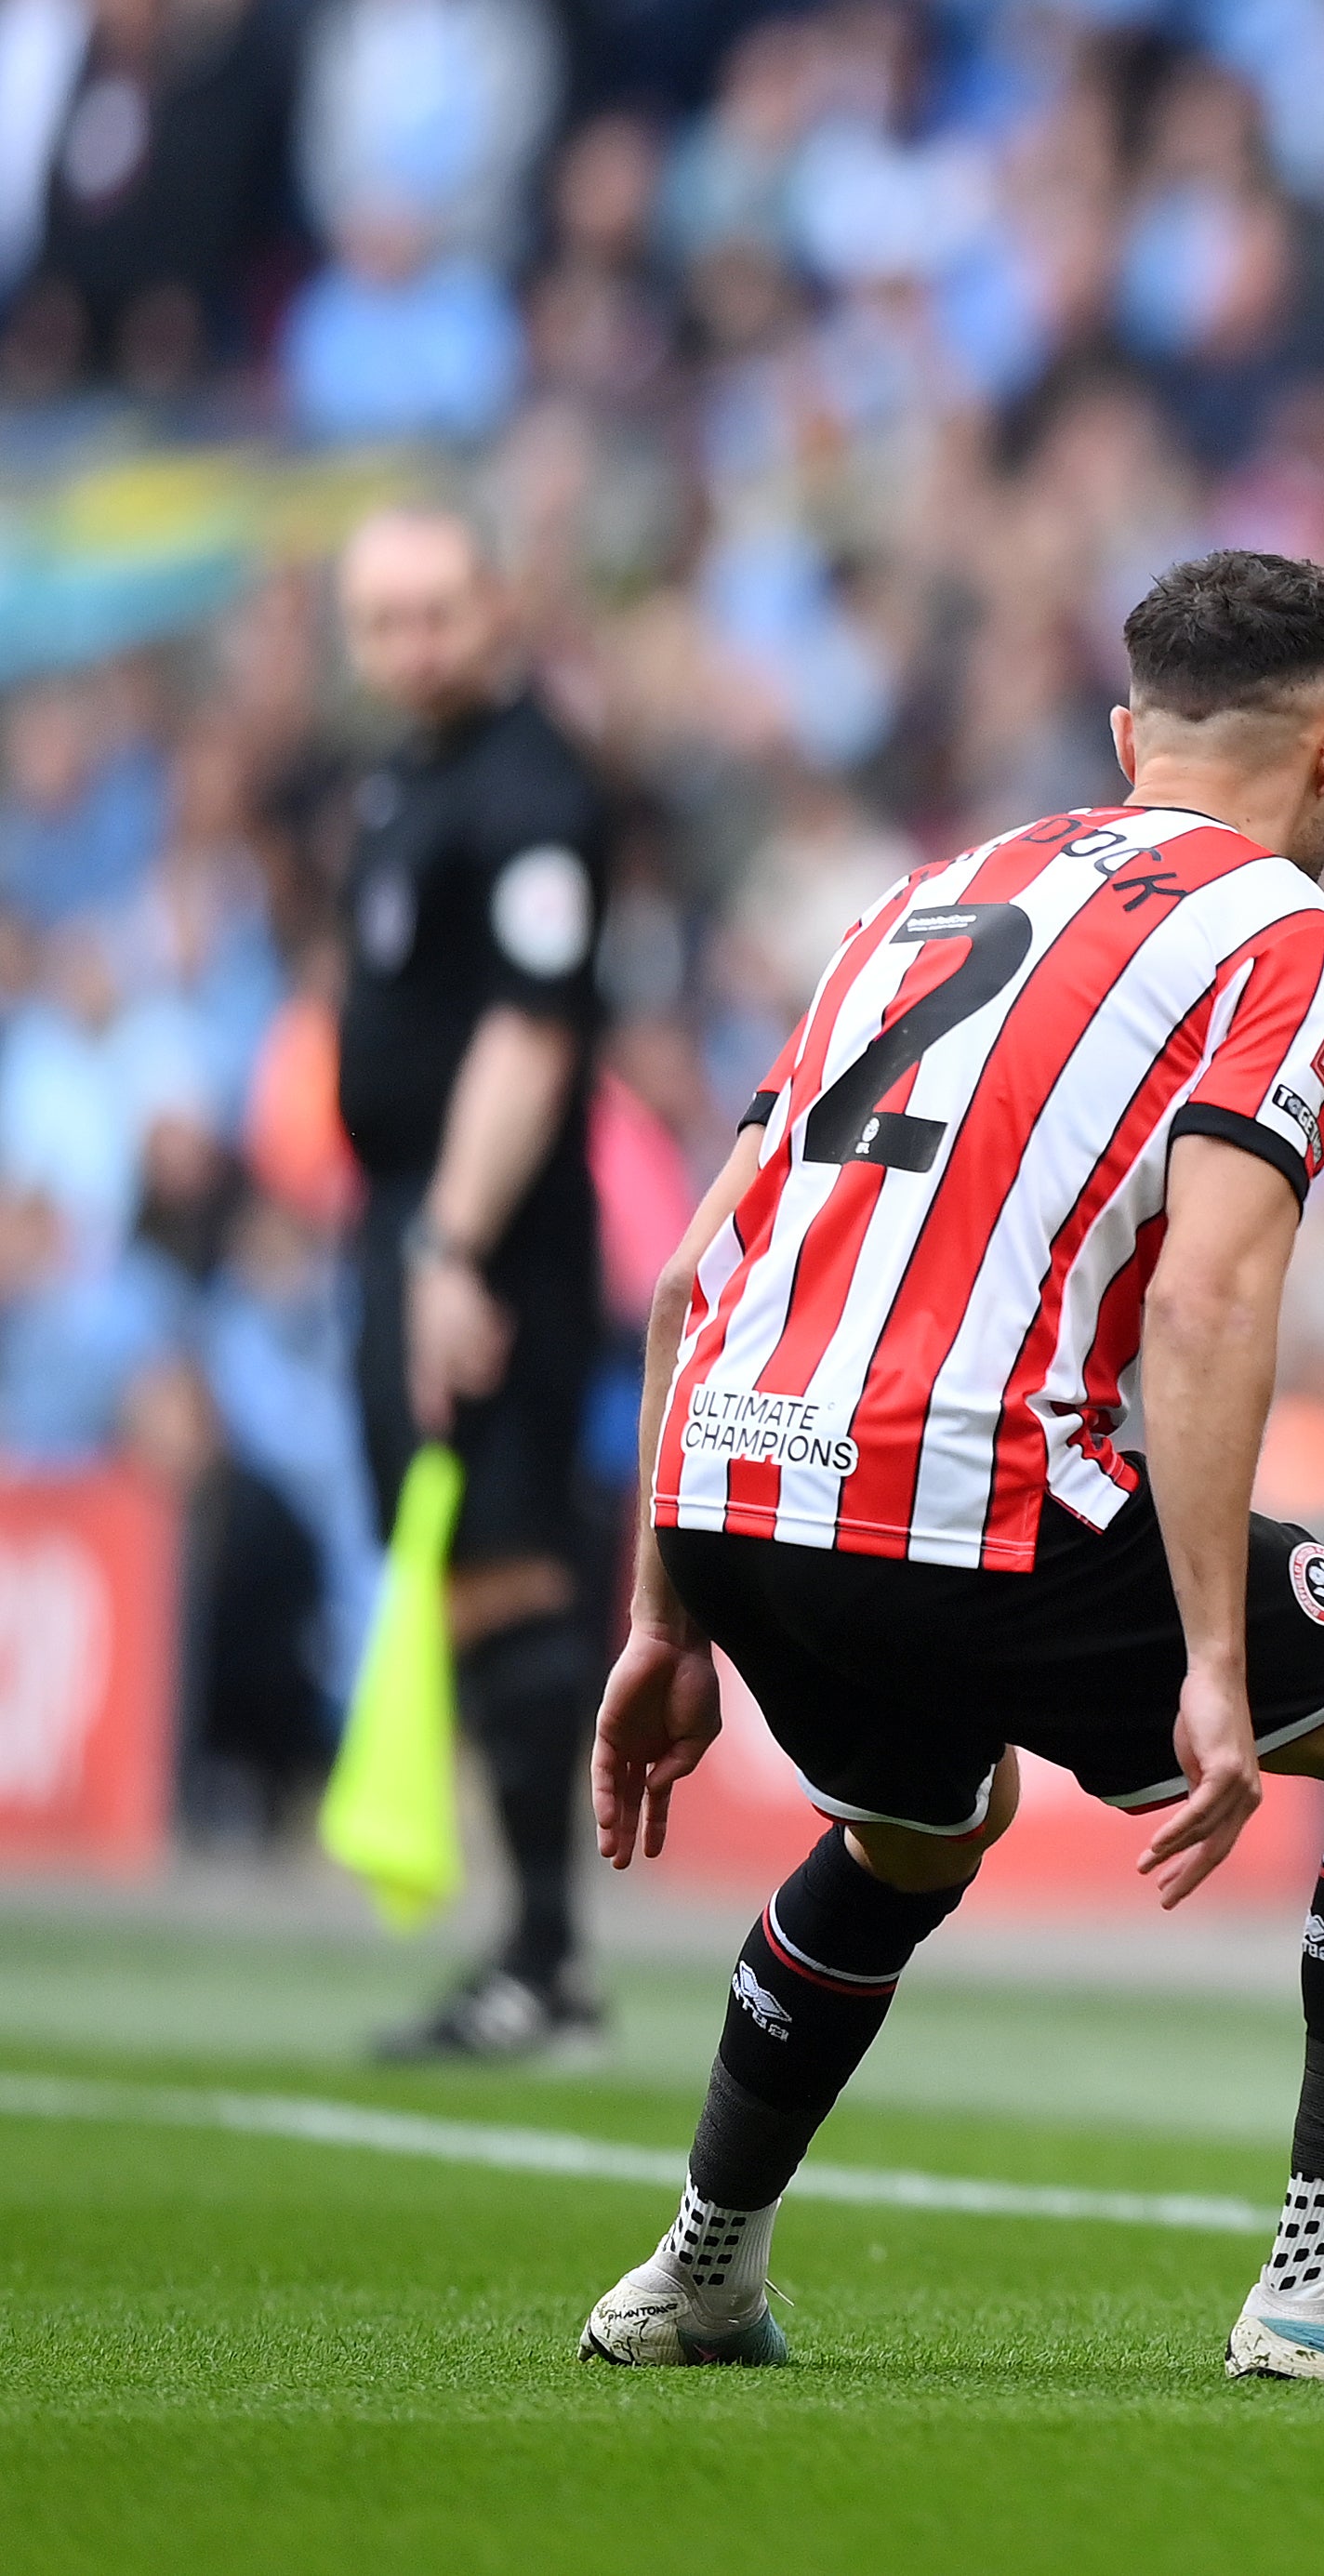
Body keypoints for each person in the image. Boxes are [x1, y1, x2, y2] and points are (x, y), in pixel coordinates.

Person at [576, 550, 1324, 2384]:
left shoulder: (923, 896)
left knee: (911, 1828)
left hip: (732, 1482)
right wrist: (1213, 1659)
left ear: (1128, 736)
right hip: (971, 1497)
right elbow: (1205, 1300)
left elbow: (679, 1279)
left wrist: (663, 1612)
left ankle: (697, 2269)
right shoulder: (1287, 935)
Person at [335, 503, 616, 2061]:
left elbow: (530, 1029)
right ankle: (529, 1959)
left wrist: (448, 1245)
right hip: (401, 1217)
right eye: (385, 619)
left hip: (483, 1225)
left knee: (504, 1561)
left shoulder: (529, 785)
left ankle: (547, 1967)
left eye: (440, 611)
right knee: (452, 1566)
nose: (414, 644)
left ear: (494, 606)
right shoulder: (410, 774)